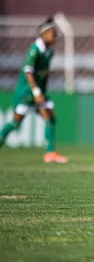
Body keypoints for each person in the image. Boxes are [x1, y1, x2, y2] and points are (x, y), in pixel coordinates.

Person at [0, 18, 68, 164]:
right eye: (51, 33)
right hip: (27, 92)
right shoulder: (34, 50)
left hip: (39, 93)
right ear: (43, 34)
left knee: (50, 117)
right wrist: (36, 92)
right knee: (16, 123)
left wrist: (42, 91)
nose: (54, 36)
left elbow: (44, 74)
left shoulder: (49, 51)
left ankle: (50, 153)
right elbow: (28, 72)